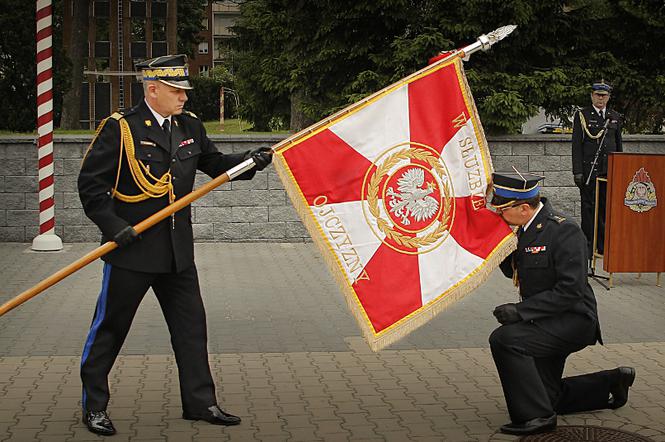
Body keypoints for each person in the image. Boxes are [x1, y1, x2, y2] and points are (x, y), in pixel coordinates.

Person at [77, 54, 273, 436]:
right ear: (152, 89)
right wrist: (114, 226)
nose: (183, 97)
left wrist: (251, 161)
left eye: (184, 91)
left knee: (191, 329)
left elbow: (216, 164)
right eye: (175, 91)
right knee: (110, 329)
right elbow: (91, 187)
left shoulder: (190, 126)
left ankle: (201, 404)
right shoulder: (122, 129)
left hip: (177, 253)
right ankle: (94, 406)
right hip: (131, 252)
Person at [488, 171, 635, 436]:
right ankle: (612, 383)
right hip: (546, 319)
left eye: (502, 210)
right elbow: (514, 271)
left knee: (505, 339)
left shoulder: (563, 230)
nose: (499, 215)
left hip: (574, 320)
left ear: (523, 208)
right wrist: (494, 244)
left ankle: (537, 417)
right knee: (546, 395)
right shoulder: (525, 229)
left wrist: (520, 312)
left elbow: (571, 290)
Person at [571, 80, 623, 260]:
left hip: (608, 170)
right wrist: (577, 171)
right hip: (589, 171)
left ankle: (602, 247)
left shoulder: (614, 116)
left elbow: (618, 146)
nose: (601, 98)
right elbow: (576, 145)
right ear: (592, 96)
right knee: (588, 209)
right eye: (598, 95)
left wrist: (620, 170)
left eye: (604, 95)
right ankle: (587, 247)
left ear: (608, 97)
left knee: (605, 209)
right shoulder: (582, 115)